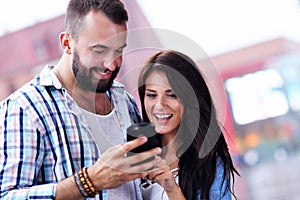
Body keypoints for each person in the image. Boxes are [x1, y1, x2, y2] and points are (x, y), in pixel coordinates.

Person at [0, 0, 162, 199]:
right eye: (99, 51)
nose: (111, 65)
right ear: (67, 43)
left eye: (118, 51)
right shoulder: (25, 108)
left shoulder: (123, 100)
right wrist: (90, 181)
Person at [137, 50, 240, 200]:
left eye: (172, 95)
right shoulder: (136, 152)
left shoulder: (209, 164)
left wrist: (171, 188)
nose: (159, 105)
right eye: (152, 95)